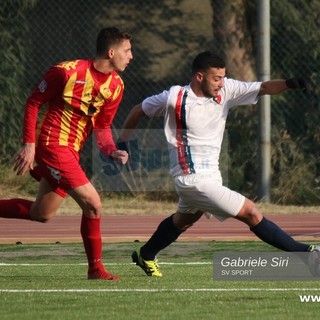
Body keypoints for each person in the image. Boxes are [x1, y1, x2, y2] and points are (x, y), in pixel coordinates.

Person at [119, 51, 318, 277]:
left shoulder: (227, 90)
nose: (221, 84)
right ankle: (307, 255)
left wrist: (289, 84)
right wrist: (123, 143)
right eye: (216, 78)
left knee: (183, 220)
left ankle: (145, 254)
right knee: (251, 212)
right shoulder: (175, 97)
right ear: (199, 77)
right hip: (191, 179)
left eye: (223, 77)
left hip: (211, 176)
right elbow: (138, 110)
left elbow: (263, 88)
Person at [0, 27, 133, 280]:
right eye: (127, 51)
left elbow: (102, 126)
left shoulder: (116, 86)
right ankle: (96, 269)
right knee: (93, 205)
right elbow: (33, 102)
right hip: (52, 145)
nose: (131, 56)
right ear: (111, 51)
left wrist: (111, 150)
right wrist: (29, 145)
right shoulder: (67, 72)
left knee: (42, 214)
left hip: (72, 152)